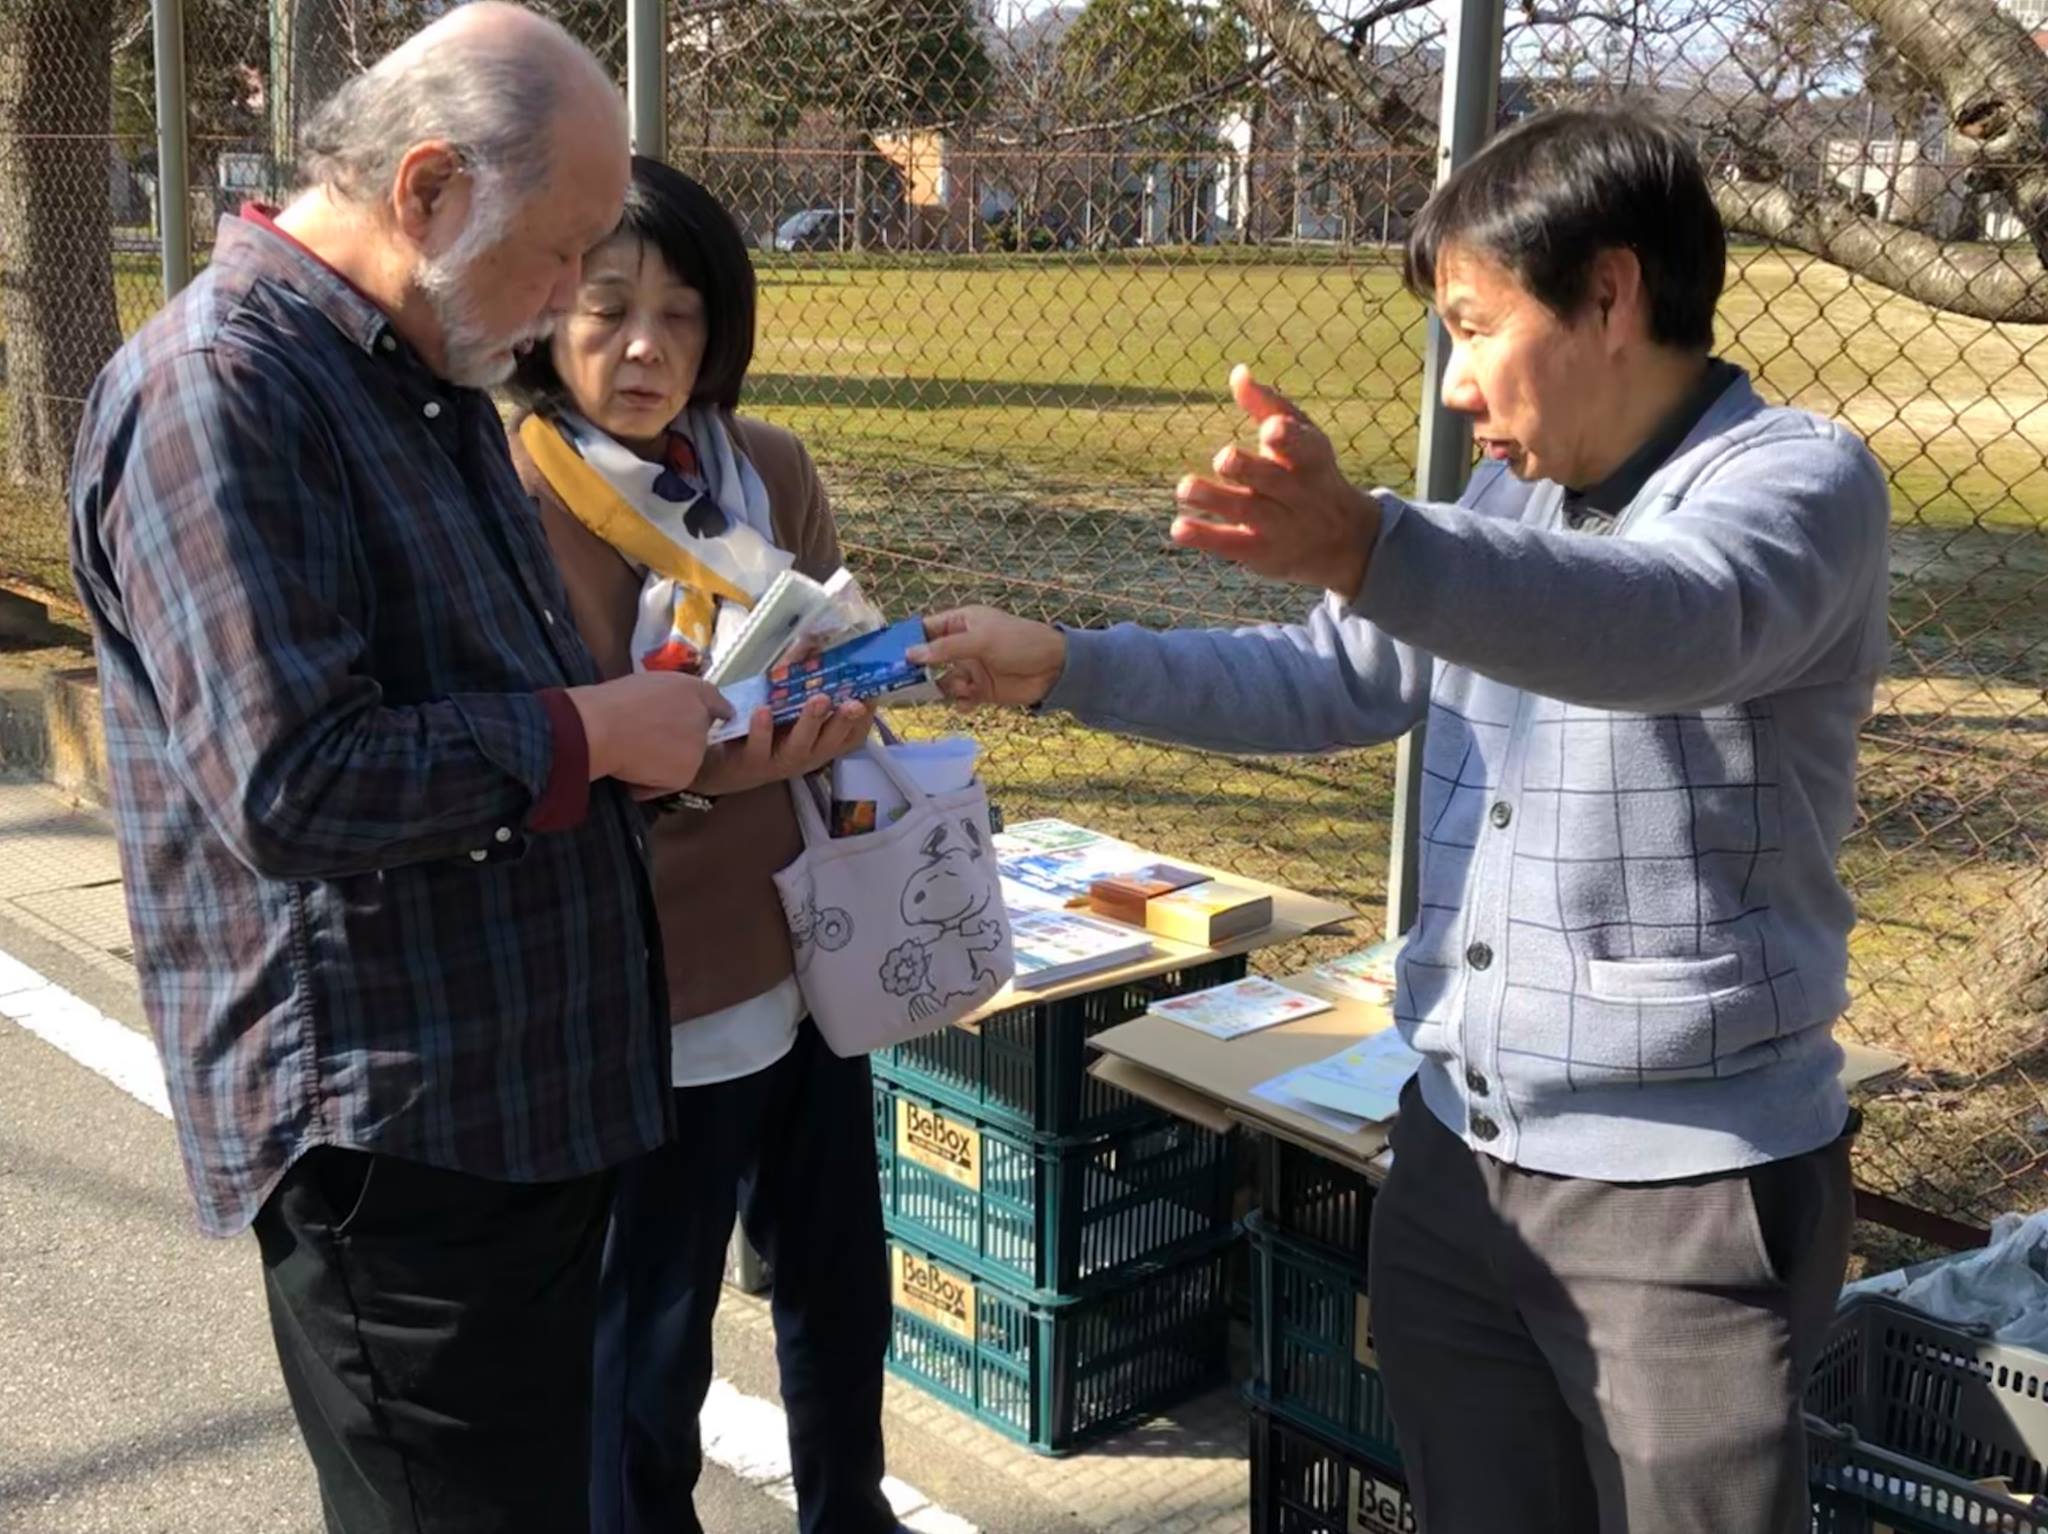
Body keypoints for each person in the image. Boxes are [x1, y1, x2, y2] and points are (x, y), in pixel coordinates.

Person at [910, 106, 1890, 1534]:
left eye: (1475, 327)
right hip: (1454, 1163)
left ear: (1610, 296)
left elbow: (1666, 626)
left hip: (1679, 1191)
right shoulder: (1511, 494)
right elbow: (1330, 676)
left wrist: (1377, 546)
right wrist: (1069, 664)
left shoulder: (1796, 485)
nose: (1453, 392)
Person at [66, 9, 731, 1532]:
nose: (571, 299)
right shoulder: (224, 394)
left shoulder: (419, 373)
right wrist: (586, 735)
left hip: (506, 1106)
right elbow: (294, 779)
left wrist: (619, 722)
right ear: (426, 188)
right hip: (403, 1135)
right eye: (560, 254)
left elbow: (479, 692)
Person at [505, 159, 897, 1534]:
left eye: (679, 313)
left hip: (814, 949)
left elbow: (848, 668)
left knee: (843, 1292)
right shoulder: (512, 494)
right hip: (646, 989)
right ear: (546, 316)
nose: (643, 347)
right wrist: (699, 763)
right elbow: (536, 750)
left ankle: (850, 1510)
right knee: (647, 1342)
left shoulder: (769, 467)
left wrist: (848, 703)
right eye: (606, 308)